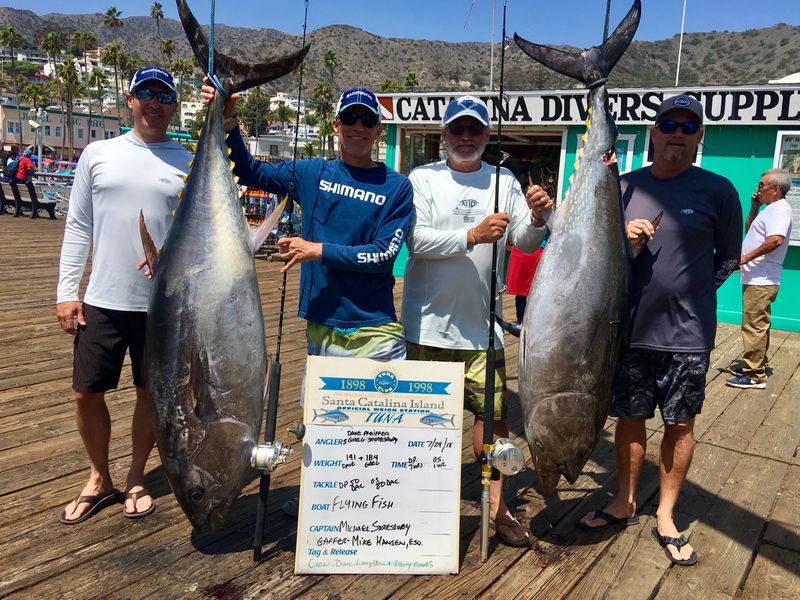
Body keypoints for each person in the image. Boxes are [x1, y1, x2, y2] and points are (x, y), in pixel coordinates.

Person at [201, 82, 414, 515]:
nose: (358, 126)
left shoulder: (397, 187)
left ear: (378, 131)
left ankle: (372, 517)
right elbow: (250, 172)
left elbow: (384, 255)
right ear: (336, 125)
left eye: (367, 120)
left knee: (374, 431)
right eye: (350, 118)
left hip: (373, 329)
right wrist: (229, 121)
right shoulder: (311, 172)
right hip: (321, 324)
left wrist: (317, 250)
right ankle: (327, 509)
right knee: (323, 424)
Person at [578, 94, 742, 566]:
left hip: (688, 336)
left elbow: (728, 259)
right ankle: (624, 501)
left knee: (680, 423)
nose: (677, 134)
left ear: (699, 137)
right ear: (653, 133)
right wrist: (625, 243)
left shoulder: (719, 190)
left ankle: (666, 515)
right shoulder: (623, 186)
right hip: (628, 330)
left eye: (688, 127)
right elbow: (598, 253)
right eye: (669, 125)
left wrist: (689, 294)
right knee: (629, 419)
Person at [401, 96, 552, 546]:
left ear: (487, 135)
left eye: (475, 130)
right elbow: (415, 240)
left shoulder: (504, 179)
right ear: (443, 134)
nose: (466, 137)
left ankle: (497, 509)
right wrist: (472, 234)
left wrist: (538, 217)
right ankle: (417, 503)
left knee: (493, 420)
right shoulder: (422, 178)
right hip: (425, 326)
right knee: (420, 420)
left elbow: (525, 241)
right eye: (457, 129)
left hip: (483, 330)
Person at [56, 66, 191, 524]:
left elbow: (195, 238)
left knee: (149, 393)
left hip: (163, 305)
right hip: (102, 298)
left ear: (174, 106)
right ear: (130, 99)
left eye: (164, 96)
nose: (155, 102)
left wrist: (171, 260)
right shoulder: (99, 153)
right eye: (146, 93)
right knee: (85, 392)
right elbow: (78, 225)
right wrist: (66, 291)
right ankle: (99, 477)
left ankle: (135, 476)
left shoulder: (188, 162)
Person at [726, 169, 793, 389]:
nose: (758, 189)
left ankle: (755, 375)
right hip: (757, 278)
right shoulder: (770, 209)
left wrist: (745, 258)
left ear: (776, 189)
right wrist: (754, 207)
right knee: (758, 325)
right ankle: (755, 365)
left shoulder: (779, 210)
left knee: (754, 326)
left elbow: (775, 240)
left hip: (761, 279)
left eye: (762, 185)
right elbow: (751, 231)